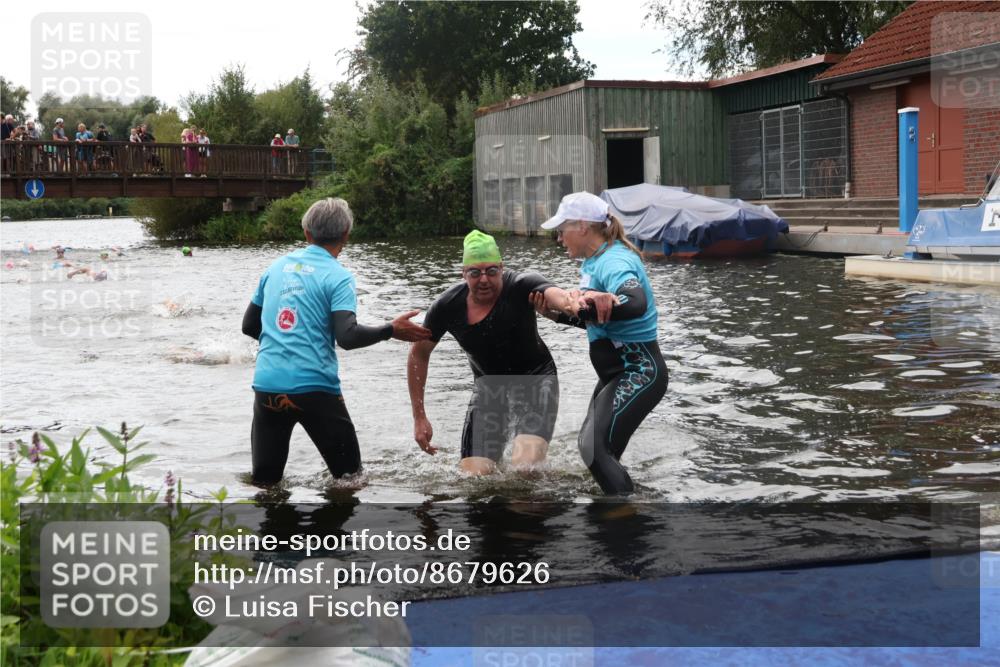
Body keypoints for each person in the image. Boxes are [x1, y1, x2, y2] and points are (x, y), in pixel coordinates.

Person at [241, 197, 431, 486]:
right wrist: (390, 329)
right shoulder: (338, 277)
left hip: (267, 386)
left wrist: (285, 340)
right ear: (346, 235)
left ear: (307, 233)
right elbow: (348, 336)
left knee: (266, 484)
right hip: (314, 389)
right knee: (350, 480)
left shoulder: (276, 268)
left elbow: (249, 325)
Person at [407, 230, 597, 475]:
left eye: (491, 271)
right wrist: (419, 416)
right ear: (463, 274)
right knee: (474, 478)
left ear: (502, 268)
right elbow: (418, 354)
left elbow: (556, 296)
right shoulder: (446, 306)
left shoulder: (521, 285)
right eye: (475, 272)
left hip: (536, 381)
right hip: (489, 389)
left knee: (524, 470)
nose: (484, 279)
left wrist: (573, 303)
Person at [534, 192, 667, 495]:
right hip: (615, 374)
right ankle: (618, 522)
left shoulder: (615, 260)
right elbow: (603, 318)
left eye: (561, 230)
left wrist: (607, 299)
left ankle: (625, 513)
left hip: (638, 371)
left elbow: (635, 303)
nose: (558, 238)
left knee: (592, 450)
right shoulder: (595, 262)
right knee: (601, 455)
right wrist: (557, 315)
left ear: (582, 226)